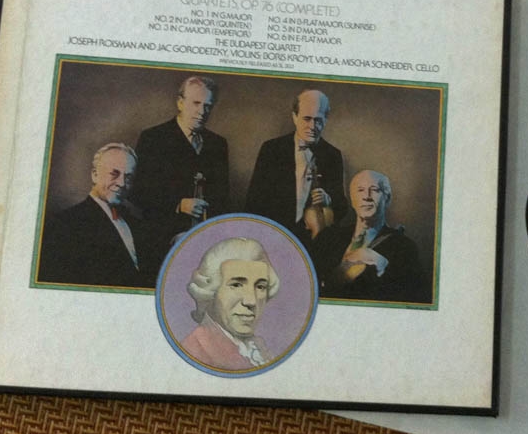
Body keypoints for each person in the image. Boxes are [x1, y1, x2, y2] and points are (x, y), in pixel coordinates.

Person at [38, 143, 160, 288]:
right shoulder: (64, 224)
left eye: (128, 177)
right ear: (95, 175)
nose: (121, 183)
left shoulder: (136, 224)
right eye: (114, 174)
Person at [132, 75, 229, 245]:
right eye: (196, 103)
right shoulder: (153, 138)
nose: (202, 112)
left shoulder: (218, 144)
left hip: (205, 239)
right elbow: (137, 191)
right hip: (161, 240)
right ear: (180, 103)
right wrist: (178, 204)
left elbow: (222, 199)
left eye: (207, 106)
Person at [305, 169, 426, 303]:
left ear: (387, 199)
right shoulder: (328, 237)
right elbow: (304, 285)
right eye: (360, 190)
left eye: (374, 190)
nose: (366, 196)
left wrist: (385, 268)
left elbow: (412, 298)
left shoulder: (404, 247)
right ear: (352, 200)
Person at [245, 89, 347, 241]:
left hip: (313, 240)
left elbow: (342, 208)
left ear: (326, 119)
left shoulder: (332, 155)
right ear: (295, 117)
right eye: (307, 119)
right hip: (274, 235)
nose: (312, 126)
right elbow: (254, 201)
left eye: (318, 120)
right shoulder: (272, 149)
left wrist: (329, 201)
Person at [181, 237, 280, 371]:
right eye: (236, 285)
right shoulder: (196, 350)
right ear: (209, 292)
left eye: (260, 286)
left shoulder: (256, 347)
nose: (251, 301)